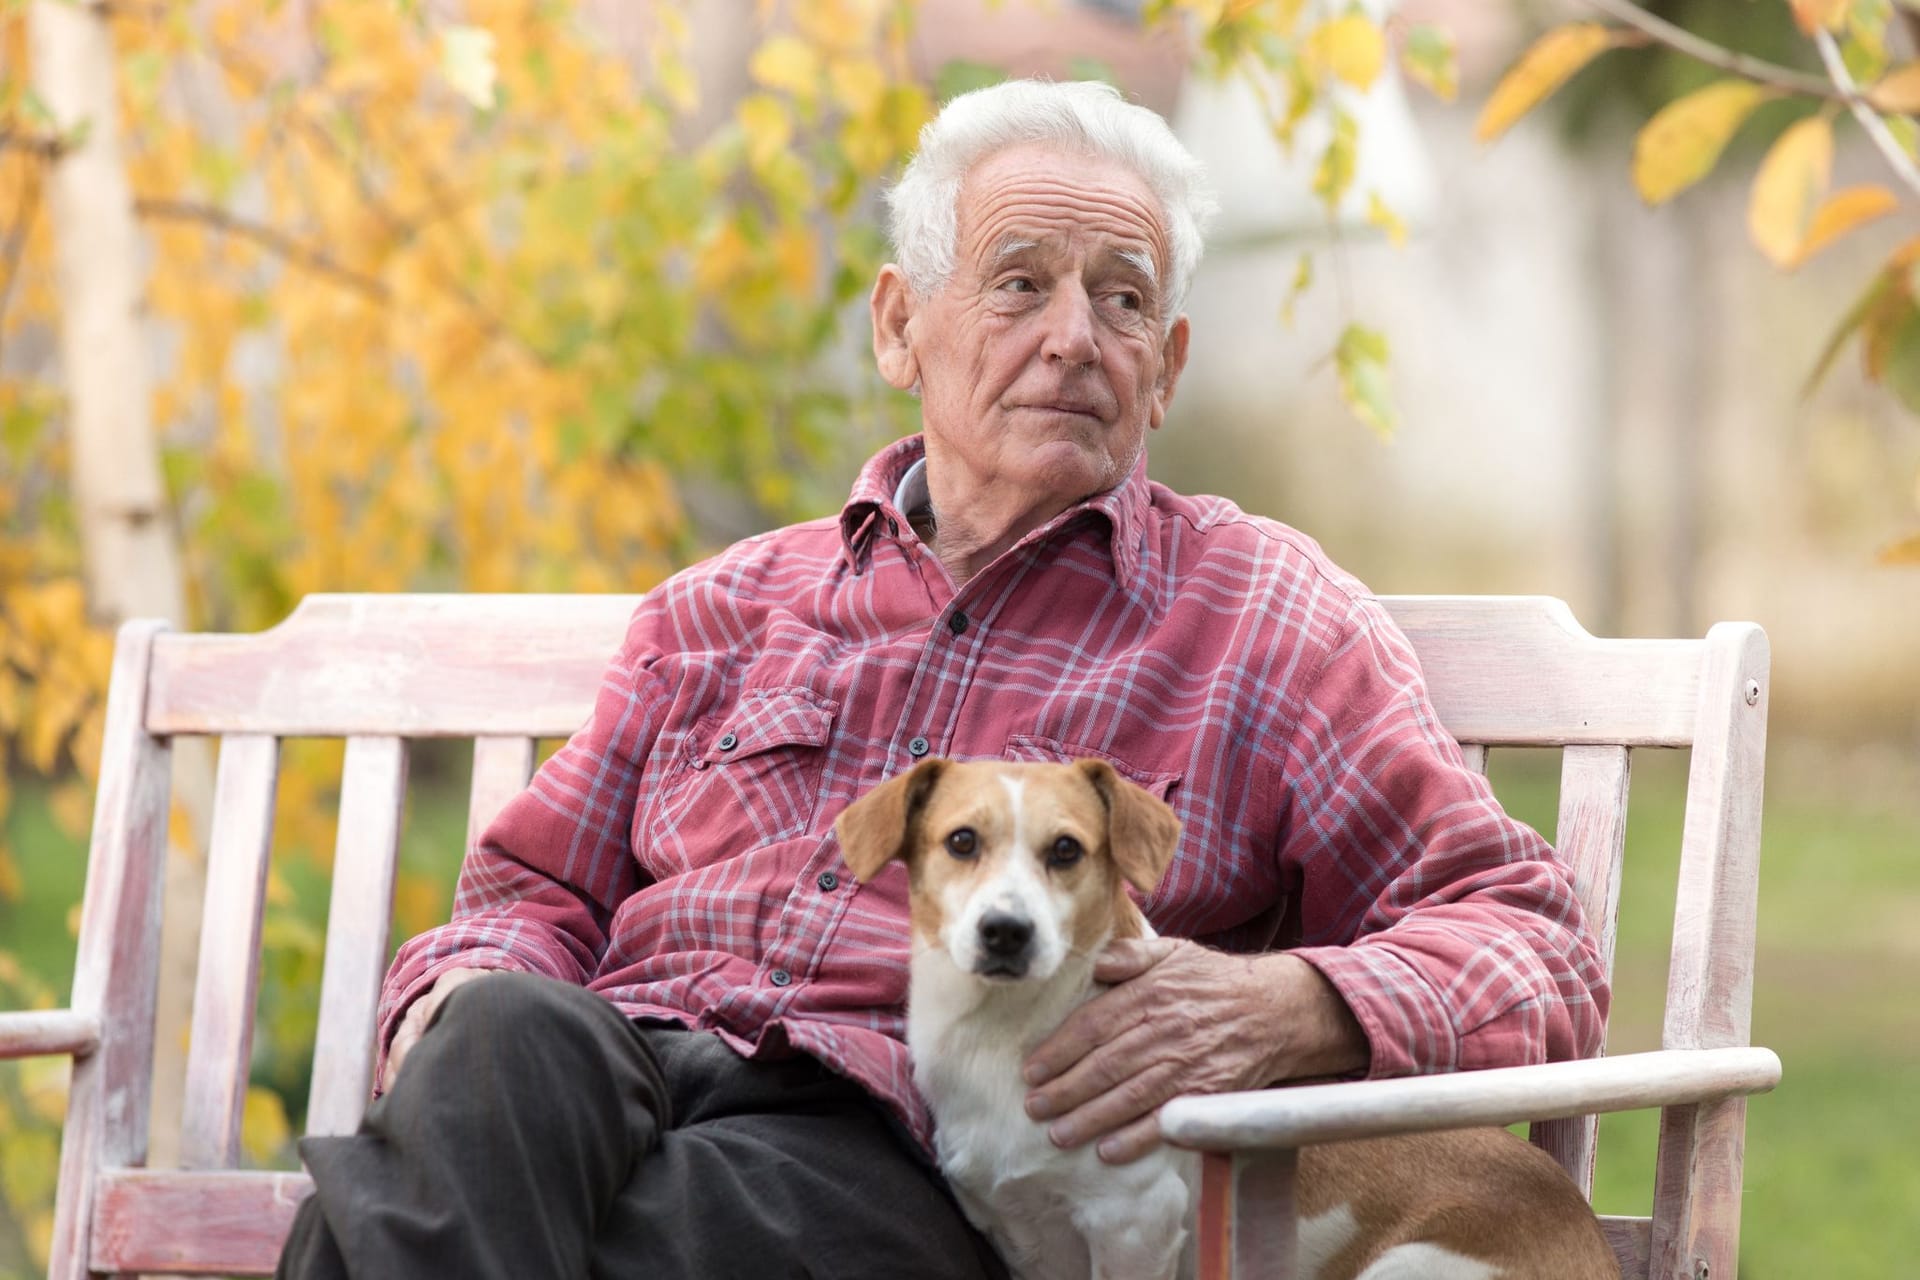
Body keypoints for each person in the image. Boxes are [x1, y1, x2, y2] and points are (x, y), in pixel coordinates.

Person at [278, 78, 1608, 1279]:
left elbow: (1528, 943)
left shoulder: (1264, 620)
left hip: (890, 1138)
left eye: (1125, 298)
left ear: (1169, 369)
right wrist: (461, 1004)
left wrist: (1293, 1005)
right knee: (502, 1042)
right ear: (901, 327)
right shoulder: (721, 609)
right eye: (1019, 283)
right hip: (609, 1073)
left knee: (388, 1223)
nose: (1077, 337)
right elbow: (534, 894)